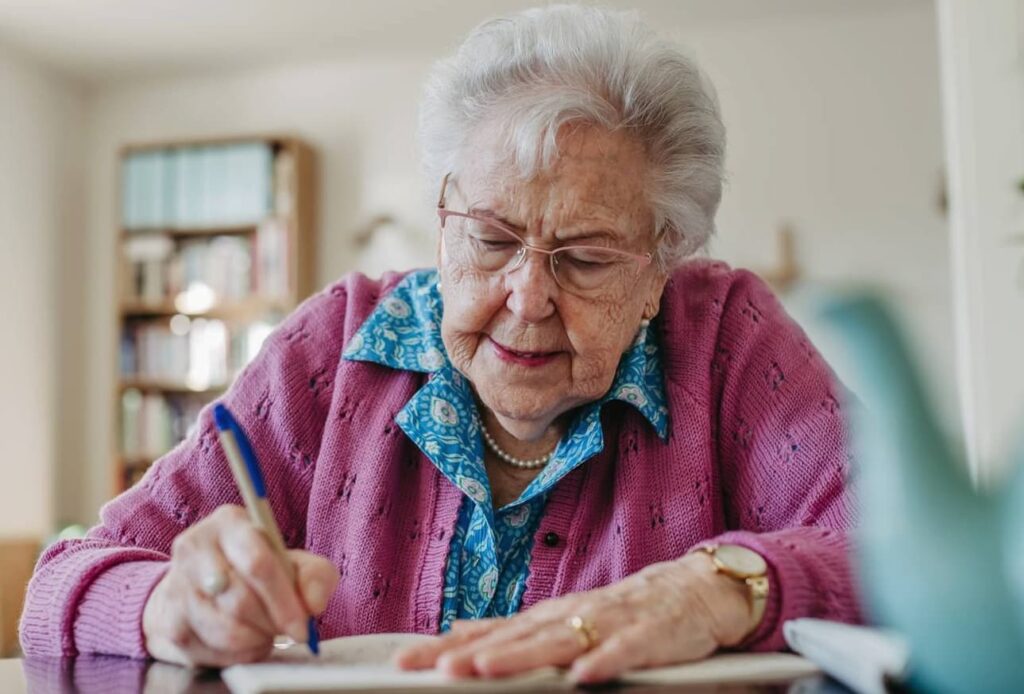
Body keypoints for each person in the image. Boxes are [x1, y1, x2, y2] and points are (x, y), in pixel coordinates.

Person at [21, 4, 861, 684]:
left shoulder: (726, 341)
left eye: (586, 258)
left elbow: (906, 553)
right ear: (442, 223)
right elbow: (59, 583)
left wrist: (717, 591)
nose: (526, 297)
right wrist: (169, 604)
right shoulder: (333, 350)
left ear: (662, 268)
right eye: (490, 240)